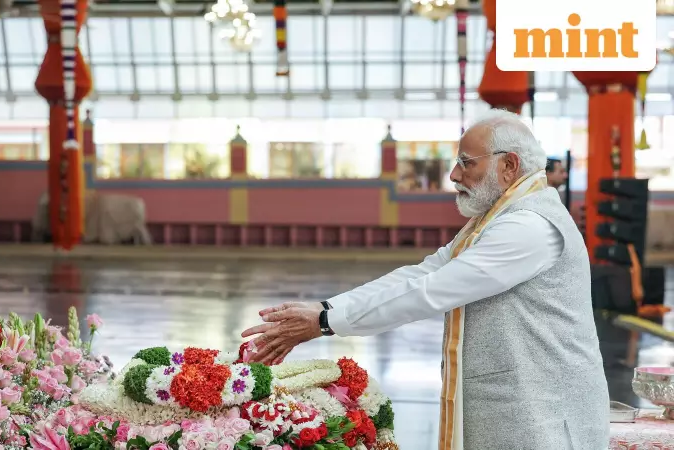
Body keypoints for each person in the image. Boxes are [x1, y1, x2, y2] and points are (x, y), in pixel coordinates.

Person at [241, 109, 609, 450]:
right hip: (519, 406)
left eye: (466, 163)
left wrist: (323, 323)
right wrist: (324, 309)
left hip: (542, 415)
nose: (454, 174)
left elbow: (431, 292)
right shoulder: (497, 218)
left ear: (509, 165)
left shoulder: (529, 226)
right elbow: (423, 272)